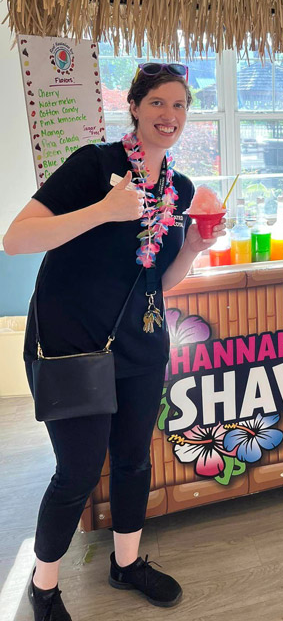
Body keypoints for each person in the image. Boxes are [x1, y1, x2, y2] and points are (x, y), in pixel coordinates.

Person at [4, 63, 226, 621]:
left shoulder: (178, 188)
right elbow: (16, 239)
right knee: (77, 472)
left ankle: (126, 564)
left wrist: (195, 247)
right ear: (133, 106)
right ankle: (45, 585)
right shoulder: (94, 165)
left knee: (132, 461)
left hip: (142, 339)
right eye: (156, 103)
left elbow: (161, 278)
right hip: (72, 339)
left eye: (178, 105)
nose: (168, 116)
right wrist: (103, 211)